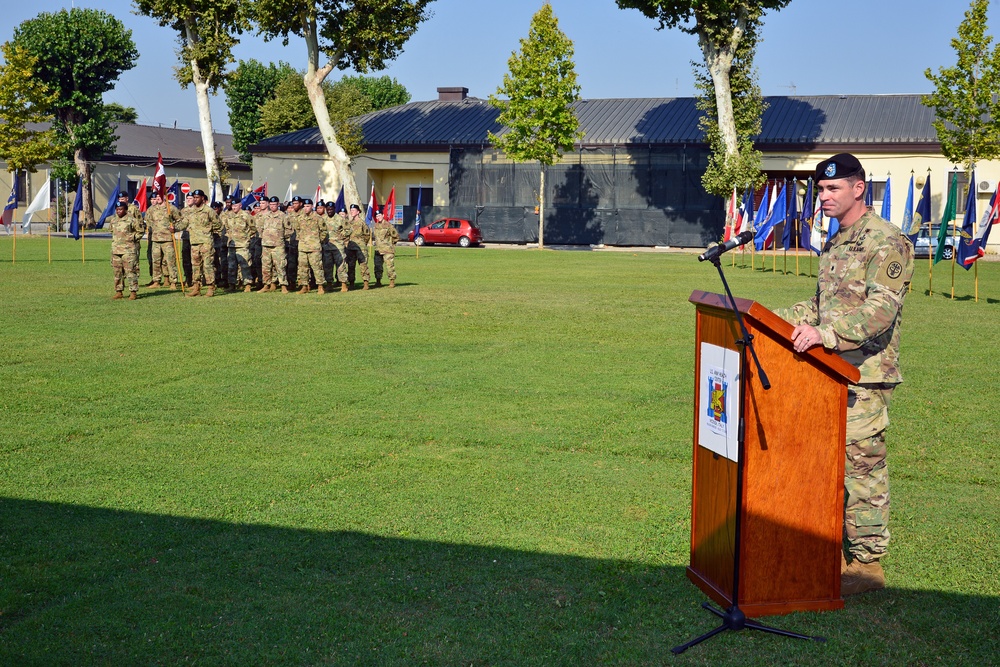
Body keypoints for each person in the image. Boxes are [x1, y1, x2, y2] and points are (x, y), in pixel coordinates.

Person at [773, 153, 914, 597]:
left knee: (862, 468)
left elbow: (880, 311)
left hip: (865, 375)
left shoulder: (888, 241)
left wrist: (825, 335)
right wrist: (767, 319)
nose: (824, 196)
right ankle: (831, 546)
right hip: (828, 370)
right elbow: (822, 305)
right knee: (827, 464)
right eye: (820, 189)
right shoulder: (837, 241)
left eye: (833, 189)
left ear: (859, 188)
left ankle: (867, 565)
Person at [182, 189, 223, 297]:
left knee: (207, 265)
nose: (195, 199)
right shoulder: (190, 211)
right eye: (194, 197)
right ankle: (196, 288)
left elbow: (219, 224)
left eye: (197, 197)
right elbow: (184, 223)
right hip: (194, 242)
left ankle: (210, 287)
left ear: (202, 198)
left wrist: (207, 230)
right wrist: (174, 228)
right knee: (195, 266)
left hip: (206, 243)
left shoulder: (209, 211)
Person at [144, 192, 184, 289]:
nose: (157, 198)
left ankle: (173, 281)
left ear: (164, 196)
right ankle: (156, 281)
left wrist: (175, 228)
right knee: (156, 262)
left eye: (159, 196)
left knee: (170, 261)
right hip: (155, 239)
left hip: (168, 239)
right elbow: (148, 221)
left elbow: (181, 221)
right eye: (156, 196)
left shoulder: (171, 208)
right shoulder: (151, 209)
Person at [110, 200, 146, 300]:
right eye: (117, 209)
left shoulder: (132, 220)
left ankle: (133, 292)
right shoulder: (113, 220)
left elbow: (140, 231)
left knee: (130, 272)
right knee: (117, 272)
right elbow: (111, 231)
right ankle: (119, 291)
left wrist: (132, 238)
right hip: (116, 250)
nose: (119, 211)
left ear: (125, 210)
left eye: (121, 209)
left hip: (128, 250)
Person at [256, 196, 292, 293]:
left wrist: (280, 237)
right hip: (266, 245)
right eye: (271, 204)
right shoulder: (265, 216)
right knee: (266, 266)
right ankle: (266, 285)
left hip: (278, 245)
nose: (272, 206)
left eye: (274, 204)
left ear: (278, 204)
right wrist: (264, 236)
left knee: (280, 266)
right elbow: (259, 228)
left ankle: (283, 285)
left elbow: (289, 230)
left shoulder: (283, 216)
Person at [293, 198, 328, 294]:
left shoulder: (318, 218)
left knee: (317, 267)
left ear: (312, 207)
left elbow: (324, 231)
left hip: (314, 247)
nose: (306, 208)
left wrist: (318, 240)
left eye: (308, 206)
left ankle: (320, 286)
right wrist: (301, 239)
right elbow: (297, 230)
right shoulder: (300, 218)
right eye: (304, 206)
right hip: (303, 247)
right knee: (303, 268)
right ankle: (304, 286)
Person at [222, 196, 256, 292]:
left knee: (245, 265)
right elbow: (226, 228)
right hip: (231, 244)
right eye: (232, 205)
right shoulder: (228, 216)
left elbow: (253, 229)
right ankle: (232, 285)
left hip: (242, 244)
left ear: (240, 205)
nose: (233, 207)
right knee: (231, 266)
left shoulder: (246, 215)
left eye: (236, 205)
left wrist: (247, 238)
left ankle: (247, 284)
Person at [323, 201, 350, 292]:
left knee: (341, 266)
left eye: (331, 209)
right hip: (327, 246)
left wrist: (341, 235)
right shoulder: (323, 218)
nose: (329, 211)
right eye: (328, 209)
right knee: (327, 266)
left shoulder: (340, 218)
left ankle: (343, 284)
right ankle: (329, 284)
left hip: (338, 246)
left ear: (334, 209)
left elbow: (349, 229)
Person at [345, 203, 371, 289]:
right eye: (351, 210)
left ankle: (366, 283)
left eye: (353, 210)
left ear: (358, 212)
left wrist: (362, 243)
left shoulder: (362, 223)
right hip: (351, 247)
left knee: (363, 265)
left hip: (360, 247)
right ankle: (351, 283)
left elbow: (367, 235)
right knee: (351, 266)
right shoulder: (349, 223)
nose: (352, 212)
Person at [372, 208, 399, 288]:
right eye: (377, 216)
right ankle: (378, 281)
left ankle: (392, 281)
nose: (378, 217)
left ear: (383, 215)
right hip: (378, 250)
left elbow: (396, 236)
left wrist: (390, 245)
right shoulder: (376, 226)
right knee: (377, 267)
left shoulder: (388, 225)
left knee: (389, 266)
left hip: (387, 250)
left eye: (379, 215)